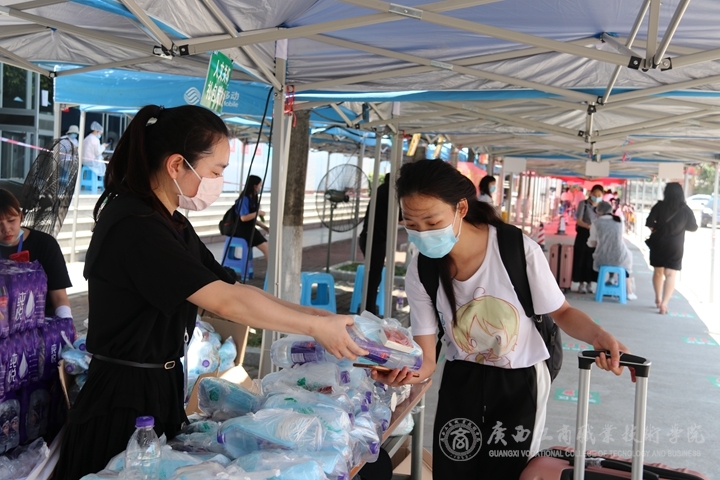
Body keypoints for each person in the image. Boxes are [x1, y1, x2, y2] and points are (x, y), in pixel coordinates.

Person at [54, 105, 368, 480]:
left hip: (160, 388)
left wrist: (318, 317)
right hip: (122, 401)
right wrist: (314, 328)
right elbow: (225, 302)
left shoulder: (172, 224)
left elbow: (233, 288)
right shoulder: (135, 226)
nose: (219, 181)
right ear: (177, 165)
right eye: (216, 171)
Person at [371, 160, 629, 479]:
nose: (422, 233)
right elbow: (427, 358)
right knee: (452, 471)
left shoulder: (515, 249)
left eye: (432, 221)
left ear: (461, 208)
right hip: (461, 379)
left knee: (508, 471)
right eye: (411, 224)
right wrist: (402, 373)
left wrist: (598, 336)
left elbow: (561, 312)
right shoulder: (421, 268)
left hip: (520, 381)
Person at [0, 189, 73, 318]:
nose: (6, 229)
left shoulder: (45, 244)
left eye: (11, 220)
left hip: (42, 321)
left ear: (21, 216)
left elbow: (59, 296)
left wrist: (66, 321)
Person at [645, 182, 697, 314]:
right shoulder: (685, 209)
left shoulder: (659, 206)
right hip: (675, 245)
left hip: (659, 243)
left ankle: (658, 298)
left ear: (666, 192)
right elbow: (693, 227)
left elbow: (649, 222)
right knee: (670, 275)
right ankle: (664, 304)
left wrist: (656, 231)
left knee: (658, 272)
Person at [358, 174, 402, 315]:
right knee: (373, 276)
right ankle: (368, 310)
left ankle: (368, 307)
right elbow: (400, 216)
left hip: (370, 237)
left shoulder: (382, 190)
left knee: (373, 275)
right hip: (374, 240)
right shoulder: (389, 193)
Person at [587, 201, 637, 300]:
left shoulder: (596, 223)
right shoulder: (619, 220)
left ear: (598, 211)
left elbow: (592, 242)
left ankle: (609, 280)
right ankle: (628, 291)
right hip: (620, 257)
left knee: (604, 254)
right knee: (626, 259)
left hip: (602, 258)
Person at [572, 184, 604, 294]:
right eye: (595, 194)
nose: (597, 197)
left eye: (599, 195)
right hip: (584, 234)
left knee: (593, 259)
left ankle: (590, 283)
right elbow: (579, 220)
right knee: (581, 258)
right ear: (591, 194)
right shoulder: (583, 204)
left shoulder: (603, 206)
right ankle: (581, 284)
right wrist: (587, 226)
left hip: (596, 236)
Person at [230, 175, 270, 260]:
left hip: (249, 228)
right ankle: (271, 268)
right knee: (267, 249)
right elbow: (244, 218)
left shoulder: (253, 199)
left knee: (268, 247)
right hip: (242, 230)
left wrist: (264, 227)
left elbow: (251, 219)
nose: (261, 187)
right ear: (254, 186)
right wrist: (258, 213)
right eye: (260, 185)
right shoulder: (244, 199)